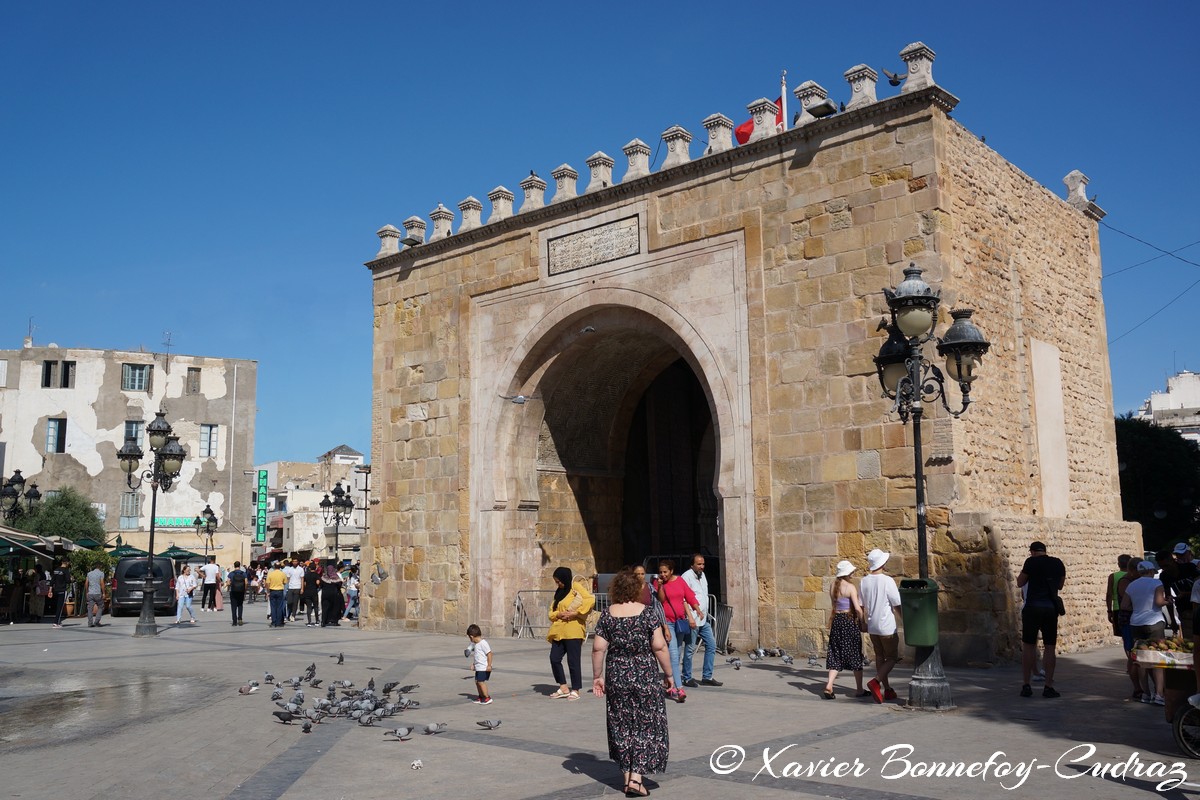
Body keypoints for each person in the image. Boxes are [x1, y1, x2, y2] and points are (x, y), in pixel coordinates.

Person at [592, 569, 674, 798]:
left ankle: (627, 776)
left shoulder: (607, 615)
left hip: (617, 676)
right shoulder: (648, 614)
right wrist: (669, 675)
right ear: (637, 590)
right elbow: (659, 646)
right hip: (645, 676)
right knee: (645, 724)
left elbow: (598, 648)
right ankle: (636, 780)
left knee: (621, 723)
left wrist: (597, 676)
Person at [1017, 541, 1067, 698]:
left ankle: (1026, 685)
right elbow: (1060, 585)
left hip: (1032, 607)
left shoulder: (1030, 562)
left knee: (1029, 646)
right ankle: (1048, 686)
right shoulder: (1058, 563)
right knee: (1050, 646)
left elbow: (1020, 582)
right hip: (1050, 608)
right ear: (1045, 551)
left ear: (1032, 552)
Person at [655, 559, 700, 702]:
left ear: (671, 571)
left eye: (665, 572)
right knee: (673, 654)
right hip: (667, 623)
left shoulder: (680, 581)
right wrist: (661, 587)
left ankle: (670, 681)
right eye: (661, 572)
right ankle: (678, 688)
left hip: (680, 621)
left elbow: (689, 595)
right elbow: (660, 600)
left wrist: (697, 609)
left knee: (677, 653)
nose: (663, 574)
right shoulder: (658, 584)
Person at [859, 549, 902, 703]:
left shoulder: (864, 581)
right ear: (883, 563)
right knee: (891, 658)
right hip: (886, 626)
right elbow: (897, 604)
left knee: (879, 656)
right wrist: (904, 619)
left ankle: (888, 689)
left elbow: (861, 606)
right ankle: (876, 681)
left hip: (872, 626)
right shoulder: (887, 581)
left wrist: (862, 623)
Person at [547, 566, 595, 700]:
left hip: (573, 631)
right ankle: (563, 686)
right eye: (556, 582)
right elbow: (551, 612)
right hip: (559, 631)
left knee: (573, 661)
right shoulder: (558, 593)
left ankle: (576, 689)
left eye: (559, 581)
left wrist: (576, 613)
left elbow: (590, 599)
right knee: (554, 658)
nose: (558, 584)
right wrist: (559, 614)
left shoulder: (575, 587)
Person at [822, 560, 867, 699]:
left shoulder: (832, 586)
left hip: (837, 622)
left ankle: (829, 685)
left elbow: (834, 606)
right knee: (854, 654)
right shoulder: (850, 587)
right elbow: (858, 609)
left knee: (835, 653)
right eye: (851, 571)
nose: (853, 573)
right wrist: (863, 622)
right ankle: (859, 689)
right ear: (846, 573)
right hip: (848, 622)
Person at [1125, 559, 1167, 705]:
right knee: (1157, 659)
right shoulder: (1156, 583)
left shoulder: (1131, 585)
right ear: (1150, 571)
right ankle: (1159, 694)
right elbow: (1159, 602)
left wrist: (1138, 609)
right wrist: (1168, 601)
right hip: (1154, 622)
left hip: (1136, 623)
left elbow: (1125, 605)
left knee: (1142, 660)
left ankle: (1146, 694)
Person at [680, 554, 722, 688]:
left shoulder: (702, 575)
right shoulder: (686, 577)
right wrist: (690, 617)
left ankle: (707, 676)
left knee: (711, 644)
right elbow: (684, 599)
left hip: (703, 618)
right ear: (692, 564)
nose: (701, 566)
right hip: (693, 619)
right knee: (690, 648)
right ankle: (687, 677)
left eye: (703, 564)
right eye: (698, 564)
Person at [466, 623, 493, 704]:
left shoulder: (483, 643)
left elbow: (489, 654)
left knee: (481, 682)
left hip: (484, 667)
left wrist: (489, 665)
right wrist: (474, 664)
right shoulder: (476, 644)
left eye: (469, 638)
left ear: (471, 636)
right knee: (477, 682)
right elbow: (477, 656)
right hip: (478, 667)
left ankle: (487, 697)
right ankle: (481, 697)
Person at [1105, 555, 1131, 637]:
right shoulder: (1133, 576)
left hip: (1117, 608)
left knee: (1123, 634)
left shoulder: (1113, 576)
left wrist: (1109, 611)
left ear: (1119, 564)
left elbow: (1109, 594)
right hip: (1131, 608)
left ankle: (1128, 649)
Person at [266, 561, 288, 627]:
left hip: (272, 591)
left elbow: (267, 583)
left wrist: (268, 592)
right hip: (280, 591)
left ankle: (273, 622)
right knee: (279, 607)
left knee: (273, 607)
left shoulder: (271, 574)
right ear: (280, 567)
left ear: (274, 567)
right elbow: (285, 582)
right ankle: (279, 622)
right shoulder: (283, 574)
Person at [50, 557, 71, 628]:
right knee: (60, 607)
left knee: (56, 606)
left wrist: (50, 591)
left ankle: (57, 621)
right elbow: (68, 580)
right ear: (67, 562)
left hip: (55, 590)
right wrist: (72, 579)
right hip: (62, 590)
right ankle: (56, 622)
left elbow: (52, 581)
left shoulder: (56, 570)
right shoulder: (66, 570)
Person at [225, 561, 248, 626]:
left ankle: (234, 621)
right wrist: (244, 590)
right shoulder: (243, 574)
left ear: (234, 566)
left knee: (233, 606)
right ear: (239, 566)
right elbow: (246, 583)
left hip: (233, 591)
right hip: (241, 591)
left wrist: (229, 587)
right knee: (240, 605)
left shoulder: (231, 574)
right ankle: (240, 619)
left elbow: (228, 583)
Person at [85, 562, 106, 628]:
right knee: (101, 606)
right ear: (100, 567)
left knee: (90, 608)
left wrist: (87, 591)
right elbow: (102, 583)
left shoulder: (89, 573)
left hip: (90, 593)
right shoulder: (101, 573)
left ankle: (90, 623)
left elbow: (86, 583)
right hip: (97, 593)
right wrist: (104, 593)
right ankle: (97, 621)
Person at [301, 561, 321, 627]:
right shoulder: (316, 575)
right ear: (315, 568)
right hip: (314, 592)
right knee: (315, 606)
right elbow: (318, 583)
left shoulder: (306, 575)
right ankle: (317, 621)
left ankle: (309, 622)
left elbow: (304, 584)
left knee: (309, 607)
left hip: (307, 592)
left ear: (309, 568)